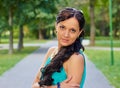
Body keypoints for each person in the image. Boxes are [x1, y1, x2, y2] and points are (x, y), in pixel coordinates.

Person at [32, 7, 86, 88]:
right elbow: (34, 84)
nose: (66, 34)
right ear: (56, 26)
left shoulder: (76, 58)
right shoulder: (51, 51)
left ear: (79, 33)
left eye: (72, 30)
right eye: (62, 27)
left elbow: (37, 85)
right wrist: (58, 87)